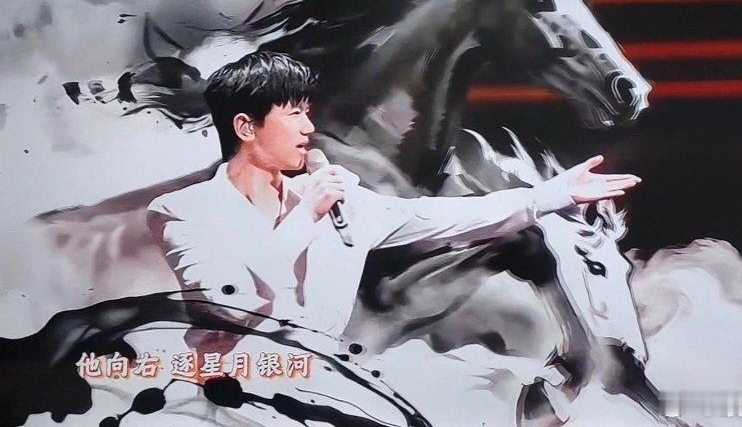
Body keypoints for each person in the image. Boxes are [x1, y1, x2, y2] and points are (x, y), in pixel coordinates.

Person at [146, 51, 641, 357]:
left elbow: (438, 217)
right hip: (230, 393)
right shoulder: (182, 211)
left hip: (320, 387)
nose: (308, 129)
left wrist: (551, 195)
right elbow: (230, 306)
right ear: (245, 126)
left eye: (308, 114)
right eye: (293, 114)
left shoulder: (336, 202)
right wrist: (305, 216)